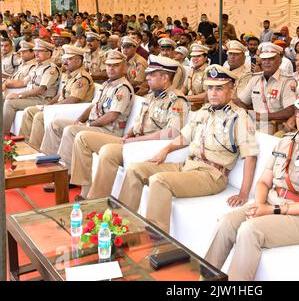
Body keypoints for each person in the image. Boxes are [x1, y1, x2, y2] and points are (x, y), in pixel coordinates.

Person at [204, 81, 299, 281]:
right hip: (272, 204)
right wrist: (260, 205)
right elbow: (263, 182)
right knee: (226, 222)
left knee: (249, 230)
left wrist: (269, 211)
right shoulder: (285, 141)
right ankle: (206, 279)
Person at [117, 64, 259, 233]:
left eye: (219, 88)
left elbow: (250, 156)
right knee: (135, 169)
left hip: (212, 175)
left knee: (159, 181)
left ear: (232, 90)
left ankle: (157, 239)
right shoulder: (204, 111)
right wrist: (166, 150)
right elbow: (185, 137)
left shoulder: (239, 117)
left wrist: (244, 193)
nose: (213, 93)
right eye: (210, 88)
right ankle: (122, 224)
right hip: (188, 165)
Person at [70, 56, 189, 201]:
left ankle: (96, 200)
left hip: (151, 147)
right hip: (135, 141)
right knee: (83, 137)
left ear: (165, 78)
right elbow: (140, 122)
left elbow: (172, 132)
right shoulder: (151, 96)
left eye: (152, 75)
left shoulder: (176, 100)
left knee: (108, 151)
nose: (148, 78)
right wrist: (129, 135)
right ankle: (85, 189)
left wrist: (137, 139)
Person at [40, 50, 134, 191]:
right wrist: (79, 120)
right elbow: (93, 106)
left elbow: (112, 115)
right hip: (95, 125)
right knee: (56, 124)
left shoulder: (123, 88)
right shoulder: (107, 85)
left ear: (124, 67)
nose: (110, 68)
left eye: (115, 65)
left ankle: (66, 176)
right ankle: (50, 166)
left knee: (71, 130)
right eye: (108, 65)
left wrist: (89, 124)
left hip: (109, 130)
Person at [19, 45, 94, 149]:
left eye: (69, 59)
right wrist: (48, 104)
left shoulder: (82, 78)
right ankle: (24, 143)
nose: (65, 62)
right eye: (65, 59)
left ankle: (34, 148)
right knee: (29, 111)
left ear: (78, 61)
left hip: (72, 110)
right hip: (61, 107)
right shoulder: (70, 74)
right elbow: (61, 94)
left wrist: (53, 106)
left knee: (39, 117)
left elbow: (73, 99)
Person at [236, 42, 297, 135]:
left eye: (271, 59)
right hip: (253, 126)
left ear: (280, 60)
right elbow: (241, 101)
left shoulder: (287, 81)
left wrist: (262, 117)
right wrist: (246, 115)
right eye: (264, 59)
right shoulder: (255, 79)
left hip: (277, 128)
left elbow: (290, 110)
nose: (266, 62)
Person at [3, 39, 60, 134]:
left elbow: (41, 89)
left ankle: (4, 135)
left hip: (42, 99)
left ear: (49, 53)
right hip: (32, 97)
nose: (36, 53)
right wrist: (5, 84)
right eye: (36, 50)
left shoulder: (51, 68)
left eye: (40, 51)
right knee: (5, 98)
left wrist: (19, 95)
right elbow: (24, 82)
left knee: (10, 103)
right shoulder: (38, 66)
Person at [182, 43, 210, 109]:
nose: (195, 59)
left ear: (205, 58)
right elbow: (185, 87)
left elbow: (207, 94)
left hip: (202, 107)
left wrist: (186, 98)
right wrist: (178, 95)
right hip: (189, 105)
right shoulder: (192, 69)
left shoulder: (208, 71)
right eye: (193, 56)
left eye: (198, 56)